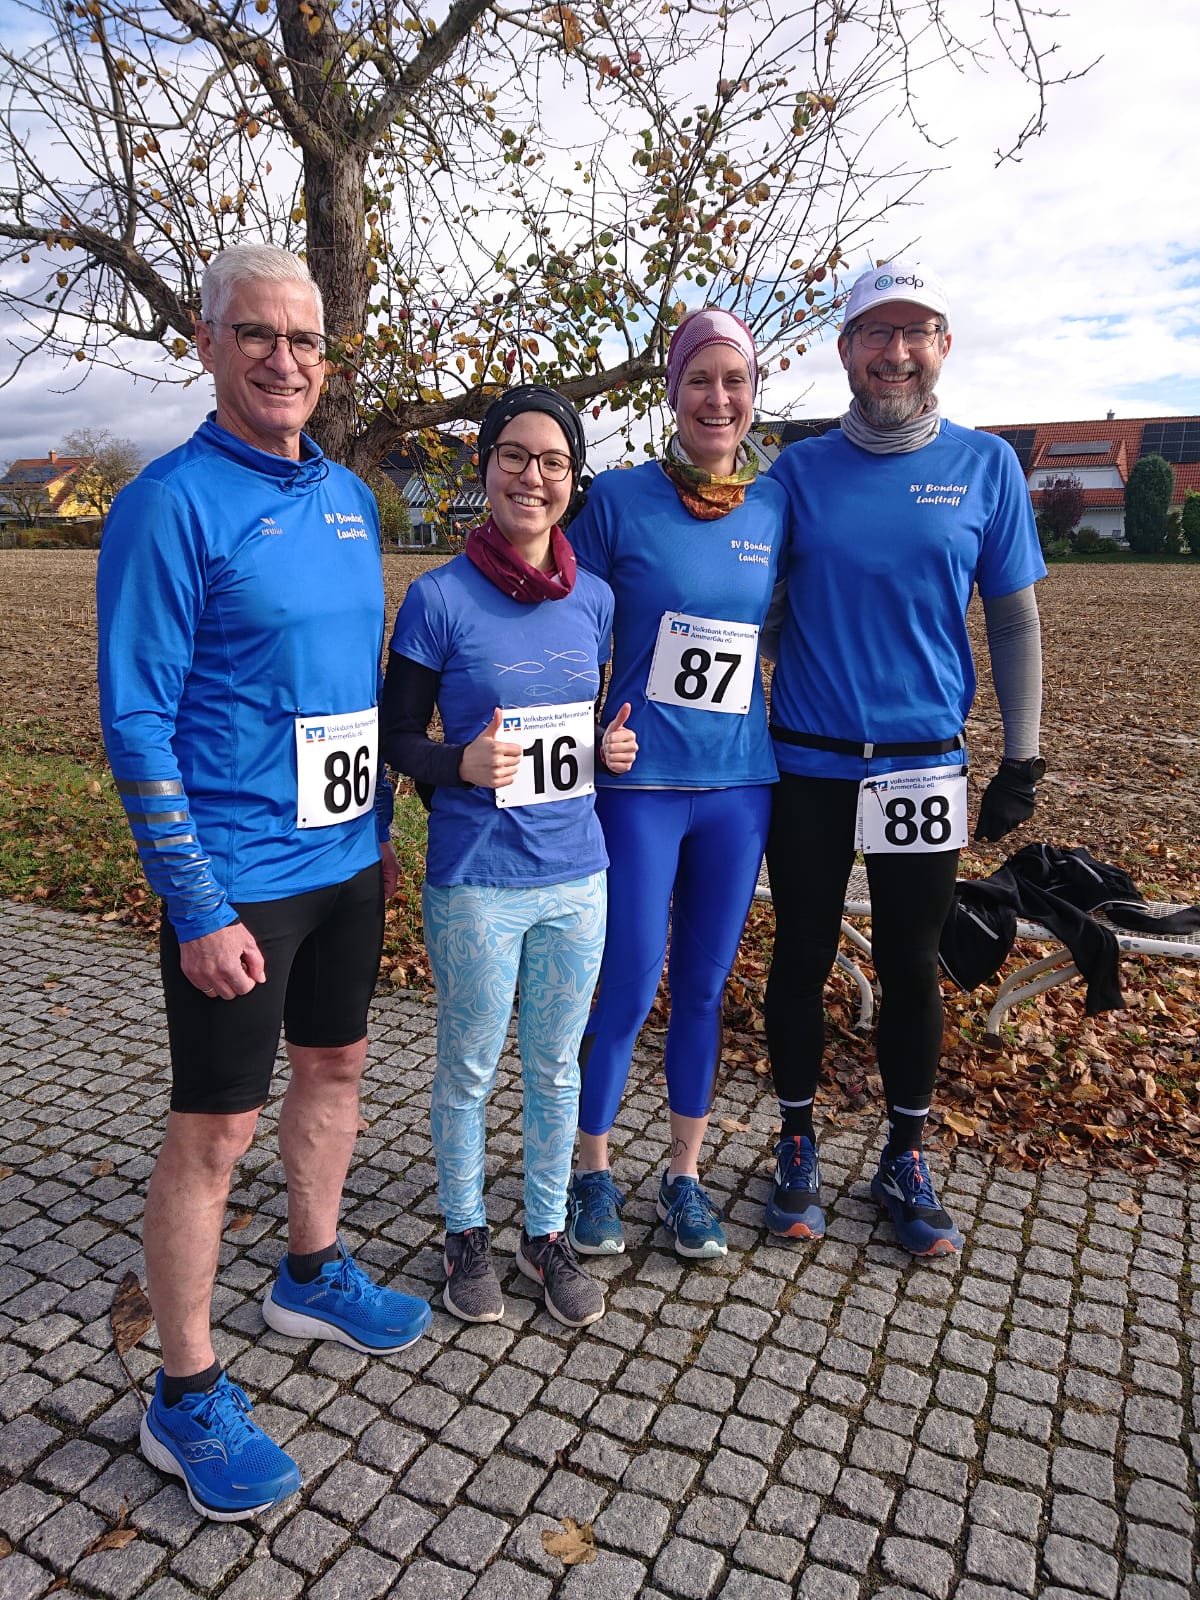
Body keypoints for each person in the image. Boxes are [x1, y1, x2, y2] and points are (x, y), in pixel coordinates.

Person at [96, 243, 431, 1523]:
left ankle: (311, 1268)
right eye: (256, 336)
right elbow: (137, 720)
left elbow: (349, 682)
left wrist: (384, 832)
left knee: (338, 1069)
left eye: (303, 340)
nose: (282, 360)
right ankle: (183, 1394)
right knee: (215, 1128)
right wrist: (194, 901)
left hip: (348, 860)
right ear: (207, 340)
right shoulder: (168, 504)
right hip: (237, 881)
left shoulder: (350, 494)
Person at [763, 260, 1046, 1255]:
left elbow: (1012, 619)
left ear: (942, 347)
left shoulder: (985, 467)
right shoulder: (794, 473)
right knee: (799, 954)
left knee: (912, 963)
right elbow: (743, 603)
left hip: (923, 764)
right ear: (844, 352)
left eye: (914, 332)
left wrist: (1026, 756)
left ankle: (905, 1153)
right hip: (808, 759)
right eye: (874, 335)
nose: (895, 352)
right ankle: (795, 1140)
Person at [381, 386, 637, 1328]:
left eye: (554, 462)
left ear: (574, 479)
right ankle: (463, 1233)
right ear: (485, 468)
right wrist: (459, 763)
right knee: (471, 1065)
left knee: (557, 1067)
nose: (534, 477)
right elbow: (394, 738)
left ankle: (543, 1231)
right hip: (478, 879)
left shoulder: (597, 602)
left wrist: (611, 750)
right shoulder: (438, 598)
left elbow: (587, 719)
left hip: (578, 873)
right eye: (515, 457)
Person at [564, 309, 788, 1262]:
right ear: (672, 391)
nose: (718, 398)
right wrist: (578, 735)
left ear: (752, 398)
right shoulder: (616, 499)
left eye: (734, 382)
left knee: (701, 990)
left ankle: (686, 1176)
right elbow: (567, 623)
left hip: (740, 787)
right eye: (700, 379)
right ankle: (590, 1171)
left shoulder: (776, 507)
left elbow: (797, 622)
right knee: (624, 984)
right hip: (640, 785)